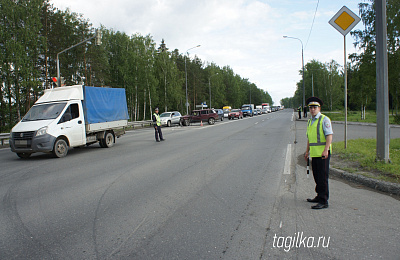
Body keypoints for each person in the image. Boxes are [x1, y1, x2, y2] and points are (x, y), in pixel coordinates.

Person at [304, 97, 333, 210]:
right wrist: (307, 151)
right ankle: (319, 196)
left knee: (322, 178)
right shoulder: (311, 121)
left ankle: (324, 200)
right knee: (316, 176)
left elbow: (329, 135)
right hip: (315, 154)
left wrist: (326, 150)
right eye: (311, 107)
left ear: (319, 108)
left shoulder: (324, 119)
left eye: (315, 107)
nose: (312, 109)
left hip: (322, 154)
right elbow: (309, 138)